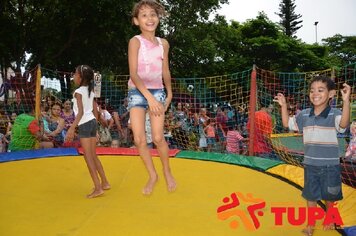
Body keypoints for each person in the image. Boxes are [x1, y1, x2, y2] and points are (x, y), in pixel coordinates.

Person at [274, 76, 351, 236]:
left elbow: (343, 125)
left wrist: (346, 101)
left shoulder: (334, 114)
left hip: (330, 165)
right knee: (311, 196)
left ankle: (329, 217)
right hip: (310, 164)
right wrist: (283, 106)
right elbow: (288, 124)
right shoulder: (304, 115)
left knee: (330, 195)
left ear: (331, 94)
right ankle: (310, 224)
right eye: (312, 90)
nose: (315, 93)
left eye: (320, 90)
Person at [127, 0, 176, 195]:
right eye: (144, 15)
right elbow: (134, 74)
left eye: (153, 14)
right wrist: (149, 98)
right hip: (138, 92)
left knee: (157, 137)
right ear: (136, 21)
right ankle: (152, 175)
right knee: (140, 139)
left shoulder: (163, 44)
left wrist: (169, 93)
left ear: (158, 18)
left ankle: (166, 171)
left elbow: (165, 71)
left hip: (157, 91)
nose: (149, 18)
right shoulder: (135, 41)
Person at [65, 65, 110, 199]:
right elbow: (95, 110)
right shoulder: (90, 90)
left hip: (84, 123)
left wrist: (72, 128)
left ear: (80, 77)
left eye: (75, 73)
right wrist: (95, 126)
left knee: (88, 157)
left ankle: (98, 188)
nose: (73, 76)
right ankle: (105, 182)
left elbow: (80, 113)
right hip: (91, 122)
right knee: (93, 155)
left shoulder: (78, 92)